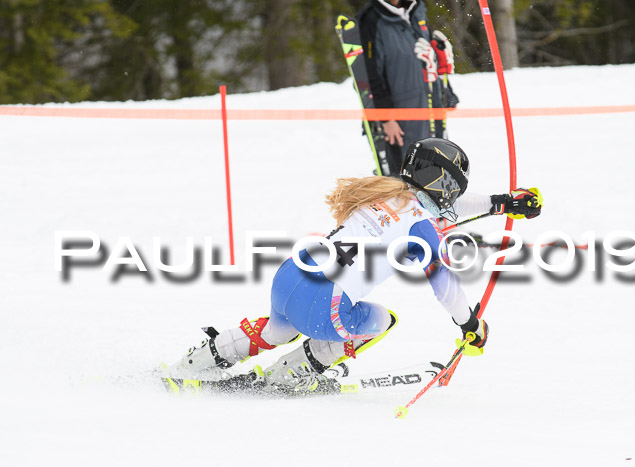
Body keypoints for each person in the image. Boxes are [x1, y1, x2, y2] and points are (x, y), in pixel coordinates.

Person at [164, 138, 542, 393]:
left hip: (289, 276)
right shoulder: (421, 228)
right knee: (381, 320)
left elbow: (444, 212)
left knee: (280, 328)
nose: (453, 199)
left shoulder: (384, 192)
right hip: (323, 305)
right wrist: (471, 326)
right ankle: (289, 376)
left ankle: (198, 361)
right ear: (441, 184)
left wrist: (503, 203)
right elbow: (445, 286)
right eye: (453, 189)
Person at [357, 0, 458, 175]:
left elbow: (425, 62)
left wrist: (444, 90)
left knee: (434, 171)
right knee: (406, 175)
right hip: (399, 116)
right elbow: (371, 74)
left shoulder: (416, 10)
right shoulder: (372, 20)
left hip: (427, 107)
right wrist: (386, 118)